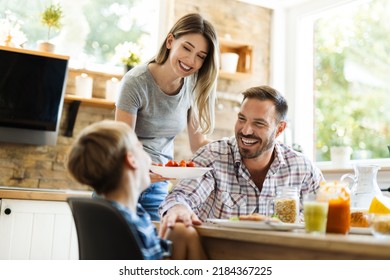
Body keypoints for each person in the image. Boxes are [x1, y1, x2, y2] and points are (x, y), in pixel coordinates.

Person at [158, 85, 324, 235]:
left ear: (279, 129)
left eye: (259, 123)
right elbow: (180, 197)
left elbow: (329, 209)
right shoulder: (213, 156)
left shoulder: (301, 168)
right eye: (242, 119)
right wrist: (178, 208)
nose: (245, 130)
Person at [115, 13, 219, 221]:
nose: (191, 60)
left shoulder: (193, 86)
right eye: (187, 48)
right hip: (122, 180)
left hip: (158, 186)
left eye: (201, 56)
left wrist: (231, 151)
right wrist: (143, 170)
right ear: (171, 41)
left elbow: (198, 144)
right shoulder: (135, 82)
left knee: (155, 250)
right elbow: (122, 142)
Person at [66, 120, 207, 260]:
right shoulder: (132, 224)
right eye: (141, 148)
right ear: (131, 160)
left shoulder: (123, 213)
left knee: (184, 234)